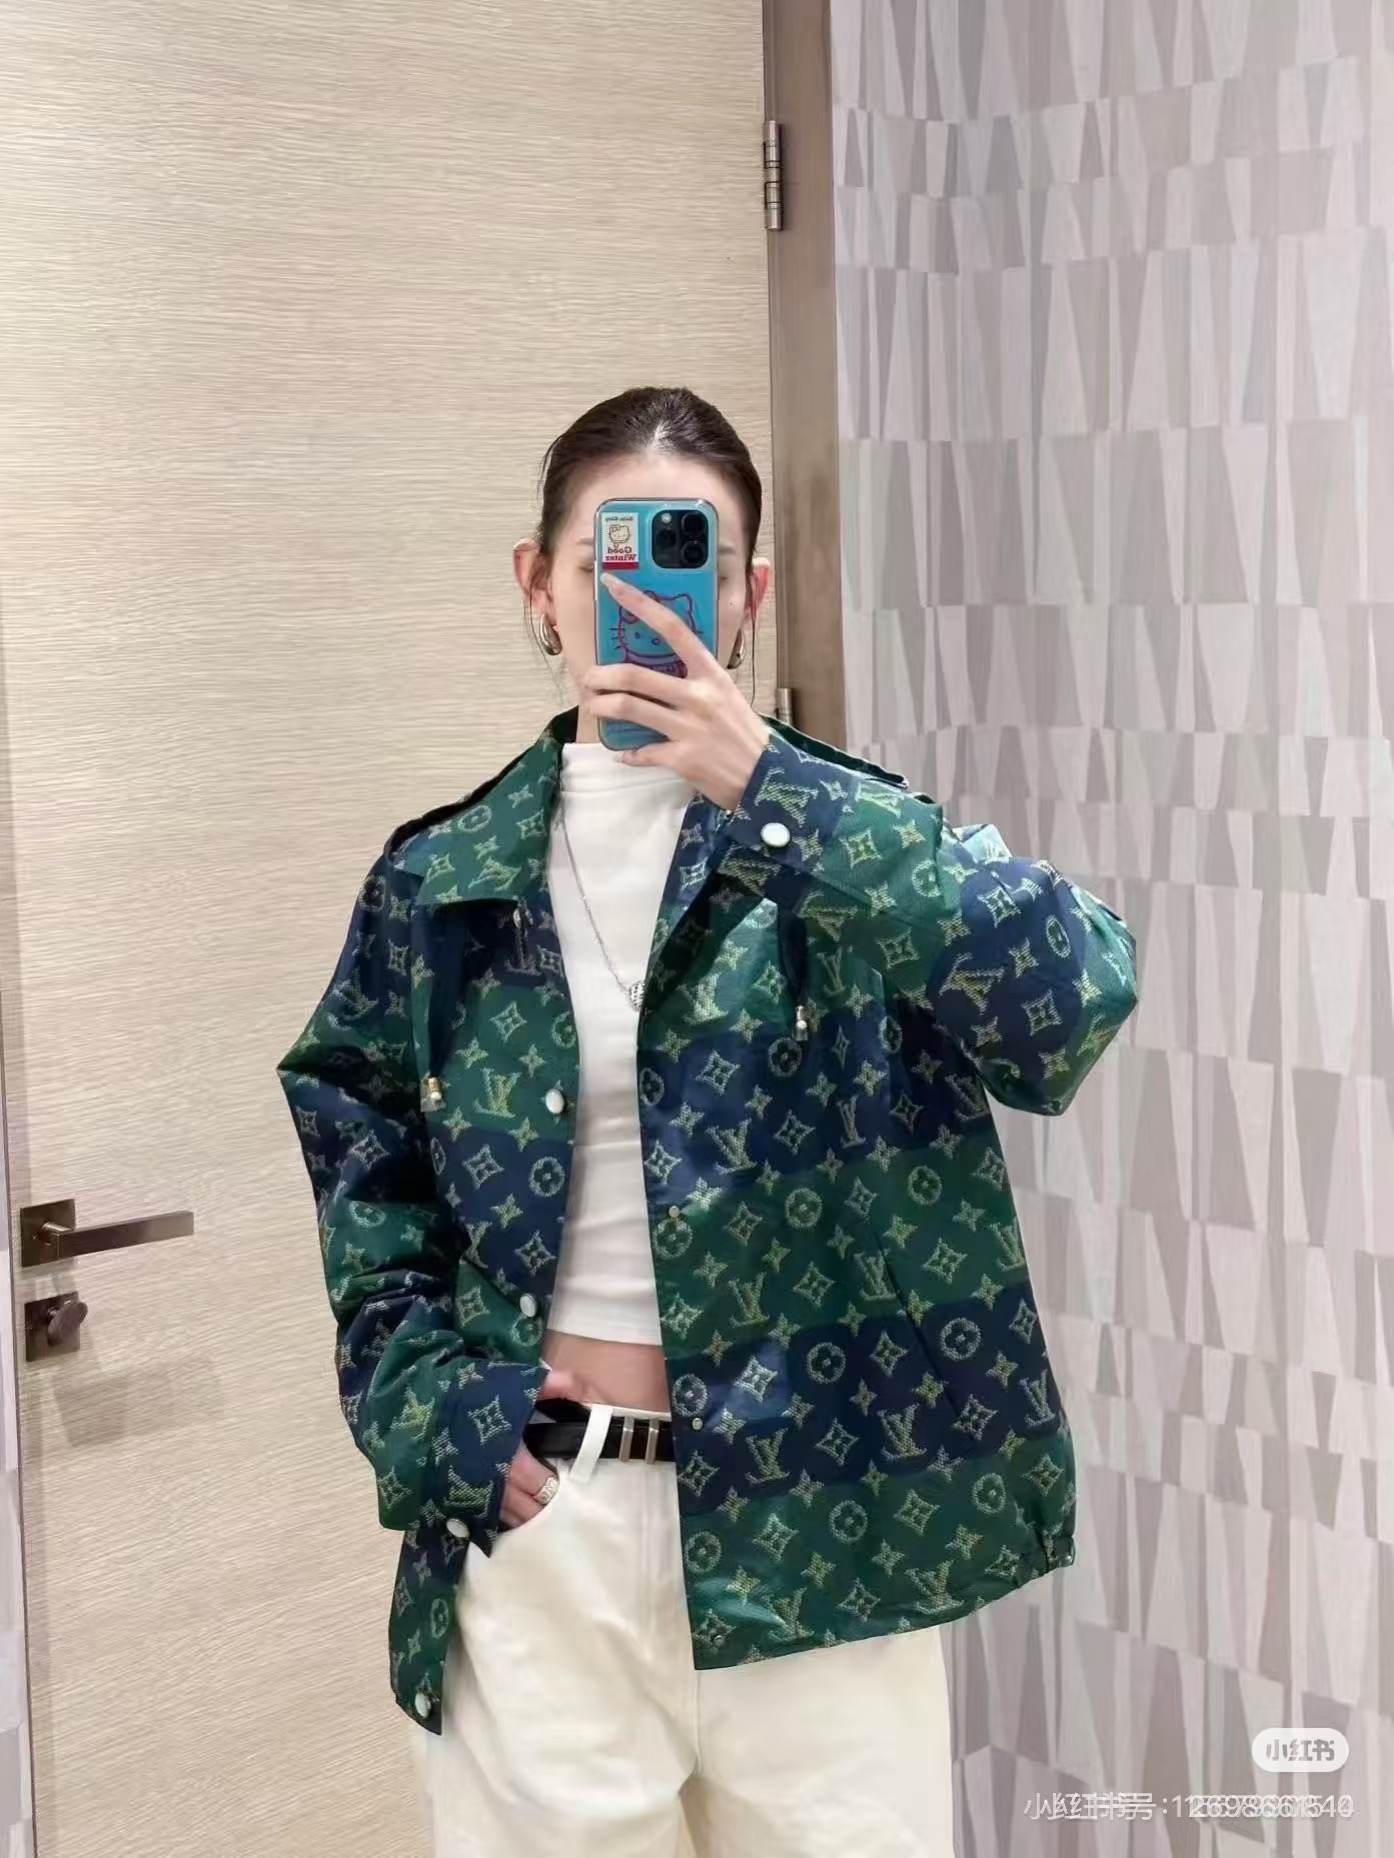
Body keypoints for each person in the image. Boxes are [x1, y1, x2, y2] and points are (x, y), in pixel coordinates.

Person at [278, 385, 1139, 1858]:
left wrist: (770, 789)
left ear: (747, 596)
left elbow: (1070, 1001)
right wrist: (433, 1406)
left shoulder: (851, 841)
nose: (644, 600)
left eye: (695, 563)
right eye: (604, 561)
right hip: (544, 1522)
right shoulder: (442, 880)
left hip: (832, 1523)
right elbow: (362, 1155)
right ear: (538, 585)